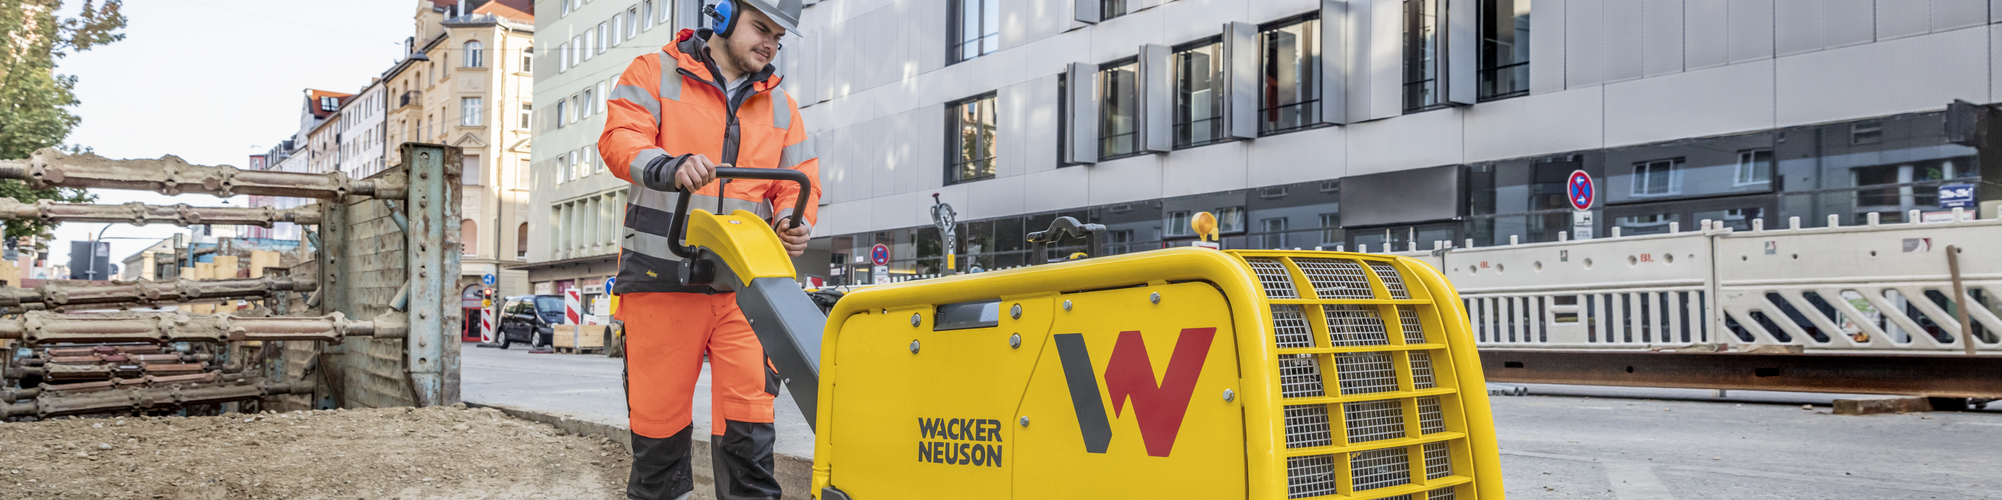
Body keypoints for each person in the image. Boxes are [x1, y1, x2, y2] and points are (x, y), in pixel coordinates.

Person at [597, 1, 814, 498]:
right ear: (722, 15)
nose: (770, 44)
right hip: (661, 281)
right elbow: (619, 138)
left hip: (745, 291)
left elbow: (803, 183)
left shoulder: (783, 106)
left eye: (779, 37)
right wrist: (667, 165)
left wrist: (792, 220)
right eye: (762, 28)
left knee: (751, 435)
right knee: (658, 437)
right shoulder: (654, 72)